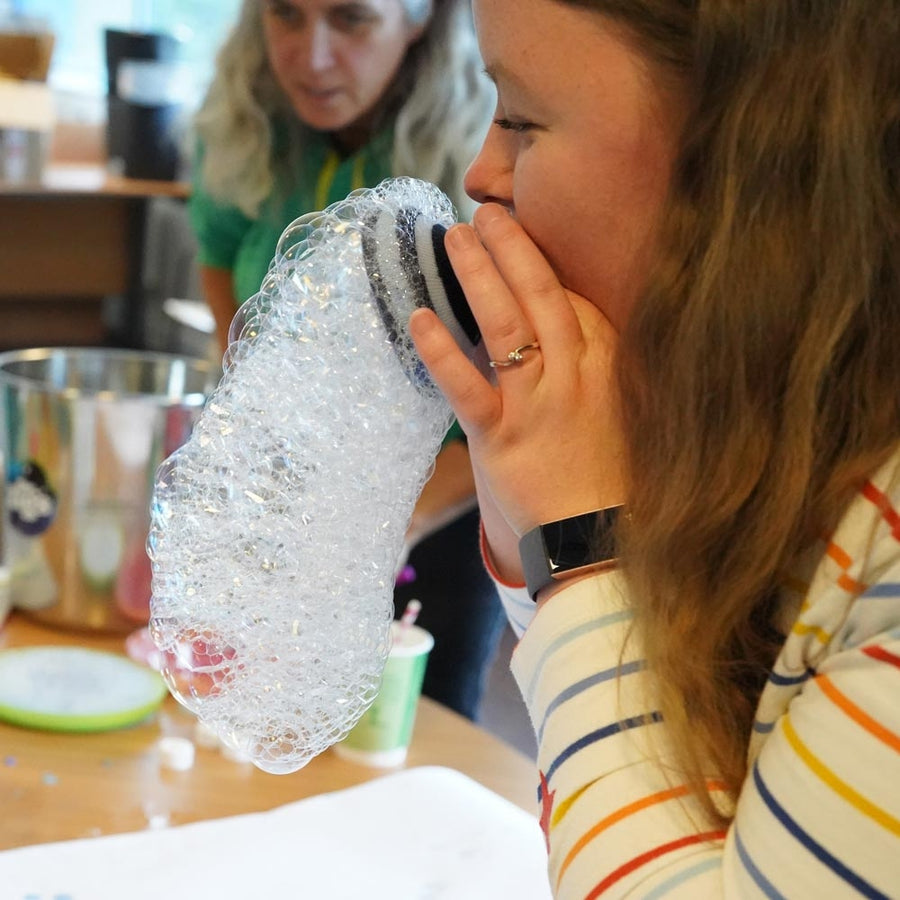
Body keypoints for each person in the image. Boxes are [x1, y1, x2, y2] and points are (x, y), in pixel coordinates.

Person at [409, 0, 900, 895]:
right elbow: (629, 795)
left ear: (745, 155)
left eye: (520, 120)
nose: (483, 173)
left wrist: (581, 544)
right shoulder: (764, 445)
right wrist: (549, 530)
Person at [189, 0, 505, 720]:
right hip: (294, 515)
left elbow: (517, 387)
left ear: (420, 18)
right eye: (286, 16)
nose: (314, 55)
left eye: (352, 19)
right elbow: (219, 259)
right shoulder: (242, 127)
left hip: (457, 515)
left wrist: (391, 525)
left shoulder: (492, 158)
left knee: (416, 745)